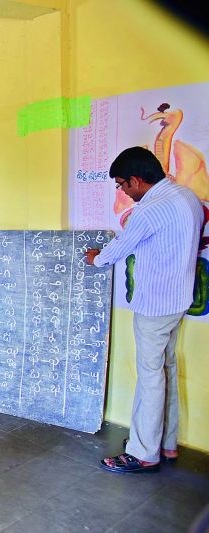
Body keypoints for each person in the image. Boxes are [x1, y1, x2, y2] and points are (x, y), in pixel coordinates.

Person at [86, 146, 204, 474]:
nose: (123, 191)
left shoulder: (150, 210)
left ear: (137, 180)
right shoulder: (187, 197)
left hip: (155, 305)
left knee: (151, 377)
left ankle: (143, 452)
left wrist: (97, 258)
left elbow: (120, 248)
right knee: (165, 369)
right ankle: (166, 444)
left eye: (123, 184)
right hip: (178, 300)